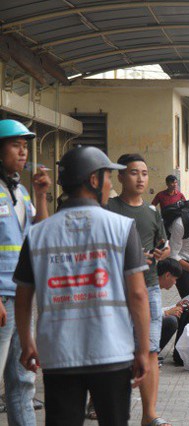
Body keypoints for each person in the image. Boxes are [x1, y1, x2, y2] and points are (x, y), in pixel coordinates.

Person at [13, 146, 150, 426]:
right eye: (108, 177)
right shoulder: (122, 227)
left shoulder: (38, 233)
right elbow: (137, 294)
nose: (111, 184)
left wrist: (27, 343)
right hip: (112, 351)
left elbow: (24, 294)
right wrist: (142, 349)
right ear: (94, 180)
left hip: (59, 353)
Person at [106, 153, 171, 426]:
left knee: (151, 350)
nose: (140, 178)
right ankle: (106, 406)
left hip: (150, 289)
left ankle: (149, 415)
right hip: (113, 292)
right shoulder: (107, 209)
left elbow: (165, 246)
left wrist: (160, 253)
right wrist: (128, 258)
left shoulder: (152, 213)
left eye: (144, 173)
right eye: (134, 172)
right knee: (114, 352)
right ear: (120, 176)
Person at [0, 119, 50, 425]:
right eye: (15, 145)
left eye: (25, 146)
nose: (23, 151)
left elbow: (40, 234)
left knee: (23, 380)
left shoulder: (20, 191)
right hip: (1, 298)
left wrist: (41, 195)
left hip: (19, 297)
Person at [157, 259, 183, 353]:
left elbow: (154, 310)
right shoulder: (149, 289)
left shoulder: (155, 287)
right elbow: (144, 315)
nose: (175, 283)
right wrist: (167, 312)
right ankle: (150, 355)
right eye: (175, 279)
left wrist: (174, 306)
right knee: (171, 321)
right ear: (167, 275)